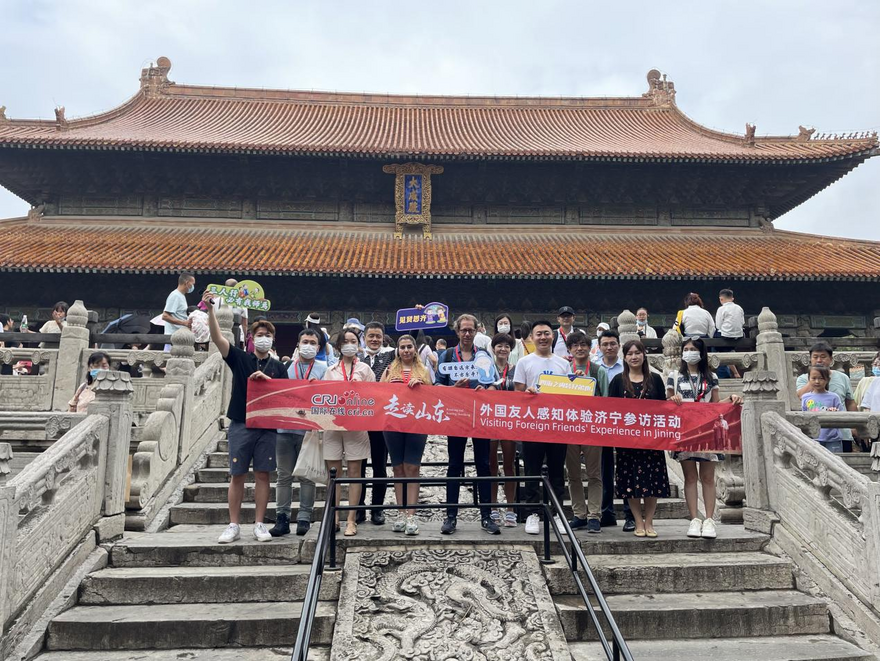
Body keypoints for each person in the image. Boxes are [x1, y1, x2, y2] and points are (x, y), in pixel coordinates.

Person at [203, 291, 287, 544]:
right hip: (241, 421)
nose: (263, 339)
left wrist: (268, 381)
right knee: (237, 473)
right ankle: (233, 524)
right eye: (259, 335)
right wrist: (210, 311)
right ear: (251, 338)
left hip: (267, 426)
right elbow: (218, 338)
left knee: (263, 474)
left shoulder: (279, 366)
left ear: (273, 340)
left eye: (267, 336)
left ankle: (260, 524)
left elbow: (286, 395)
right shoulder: (240, 358)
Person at [667, 338, 743, 539]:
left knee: (708, 478)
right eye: (686, 349)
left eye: (693, 349)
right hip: (685, 432)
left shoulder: (712, 378)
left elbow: (715, 406)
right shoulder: (674, 376)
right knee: (690, 477)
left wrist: (732, 399)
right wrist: (672, 400)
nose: (689, 352)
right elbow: (666, 404)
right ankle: (694, 519)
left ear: (701, 353)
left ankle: (709, 520)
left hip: (707, 431)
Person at [436, 313, 500, 535]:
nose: (466, 333)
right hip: (456, 416)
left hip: (479, 416)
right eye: (463, 330)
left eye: (470, 330)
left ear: (476, 331)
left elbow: (494, 384)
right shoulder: (446, 355)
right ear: (457, 332)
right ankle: (451, 516)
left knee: (484, 464)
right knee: (454, 465)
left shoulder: (483, 355)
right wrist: (454, 389)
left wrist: (487, 390)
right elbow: (437, 387)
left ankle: (486, 516)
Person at [513, 319, 571, 535]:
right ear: (532, 337)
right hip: (532, 425)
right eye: (539, 334)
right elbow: (517, 394)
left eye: (547, 333)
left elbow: (569, 394)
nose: (543, 337)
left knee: (557, 471)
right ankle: (532, 514)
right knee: (531, 470)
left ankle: (558, 513)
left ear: (552, 336)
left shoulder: (563, 364)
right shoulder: (524, 362)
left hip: (556, 424)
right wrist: (527, 394)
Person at [609, 340, 669, 537]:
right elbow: (610, 412)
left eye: (637, 352)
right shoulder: (618, 380)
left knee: (652, 482)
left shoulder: (656, 379)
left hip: (652, 442)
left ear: (644, 355)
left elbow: (664, 409)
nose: (634, 357)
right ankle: (637, 521)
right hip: (628, 443)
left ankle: (649, 521)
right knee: (631, 483)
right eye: (629, 354)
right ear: (624, 357)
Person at [271, 328, 327, 537]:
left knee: (307, 475)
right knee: (283, 476)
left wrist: (319, 387)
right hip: (284, 428)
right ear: (298, 344)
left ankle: (305, 517)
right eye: (305, 341)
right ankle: (282, 517)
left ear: (318, 347)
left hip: (309, 430)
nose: (309, 345)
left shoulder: (323, 369)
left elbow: (329, 396)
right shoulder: (286, 367)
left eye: (313, 342)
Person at [322, 328, 375, 537]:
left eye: (354, 341)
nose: (350, 344)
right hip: (333, 426)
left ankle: (352, 519)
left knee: (355, 472)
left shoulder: (364, 369)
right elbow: (323, 396)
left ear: (358, 345)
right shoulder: (330, 370)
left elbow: (374, 397)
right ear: (339, 346)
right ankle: (334, 516)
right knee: (333, 473)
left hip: (357, 426)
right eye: (346, 341)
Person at [381, 334, 433, 536]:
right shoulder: (389, 369)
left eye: (409, 346)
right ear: (397, 350)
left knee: (413, 467)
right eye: (402, 347)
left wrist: (420, 385)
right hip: (393, 424)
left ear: (415, 348)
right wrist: (389, 384)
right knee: (398, 468)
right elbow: (379, 395)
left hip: (417, 424)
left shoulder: (424, 370)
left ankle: (412, 514)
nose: (406, 350)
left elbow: (434, 396)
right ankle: (401, 512)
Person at [564, 330, 609, 533]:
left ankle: (594, 515)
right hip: (569, 427)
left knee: (594, 474)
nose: (579, 348)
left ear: (589, 348)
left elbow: (606, 401)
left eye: (583, 344)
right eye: (575, 345)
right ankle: (579, 514)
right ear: (569, 349)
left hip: (592, 427)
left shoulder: (599, 371)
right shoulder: (564, 370)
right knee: (573, 474)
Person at [594, 328, 634, 531]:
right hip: (600, 426)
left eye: (612, 344)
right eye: (605, 344)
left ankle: (630, 514)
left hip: (624, 425)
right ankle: (606, 512)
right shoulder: (593, 369)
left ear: (619, 346)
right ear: (599, 347)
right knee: (604, 470)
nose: (609, 347)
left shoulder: (628, 367)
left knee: (626, 469)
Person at [356, 321, 396, 525]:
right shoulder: (356, 359)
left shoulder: (391, 356)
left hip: (381, 421)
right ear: (364, 337)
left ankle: (377, 509)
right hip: (360, 422)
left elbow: (412, 348)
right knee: (359, 467)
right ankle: (359, 508)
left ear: (383, 338)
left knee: (380, 467)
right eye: (371, 336)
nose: (374, 340)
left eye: (378, 336)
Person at [795, 342, 857, 451]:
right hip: (816, 435)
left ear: (831, 359)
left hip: (841, 434)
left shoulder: (842, 377)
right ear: (810, 359)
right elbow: (801, 396)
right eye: (815, 357)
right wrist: (814, 377)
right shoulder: (803, 379)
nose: (819, 360)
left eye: (823, 357)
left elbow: (850, 402)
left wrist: (855, 426)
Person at [487, 332, 519, 528]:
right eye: (499, 345)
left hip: (509, 420)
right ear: (493, 348)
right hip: (489, 420)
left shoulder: (516, 370)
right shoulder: (486, 370)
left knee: (509, 465)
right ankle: (492, 507)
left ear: (510, 349)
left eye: (506, 346)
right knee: (491, 466)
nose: (503, 349)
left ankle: (510, 509)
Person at [801, 365, 845, 454]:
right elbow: (803, 416)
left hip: (833, 438)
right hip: (813, 438)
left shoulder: (834, 397)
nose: (817, 381)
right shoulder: (806, 397)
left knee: (835, 463)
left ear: (827, 379)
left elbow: (842, 416)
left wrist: (835, 412)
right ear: (809, 379)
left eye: (821, 378)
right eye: (814, 378)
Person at [162, 274, 195, 350]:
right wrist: (184, 323)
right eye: (192, 284)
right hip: (173, 337)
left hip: (180, 337)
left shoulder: (181, 296)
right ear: (186, 283)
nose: (193, 286)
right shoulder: (175, 296)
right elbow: (165, 316)